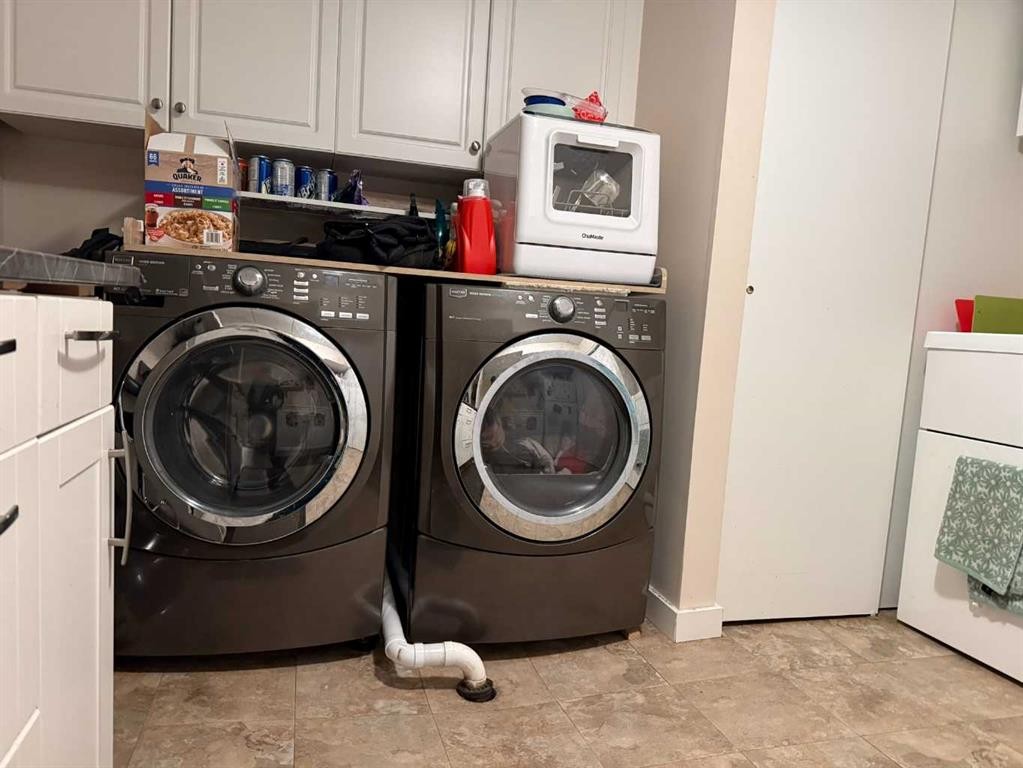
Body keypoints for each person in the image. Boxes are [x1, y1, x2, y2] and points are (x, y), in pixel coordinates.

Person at [479, 410, 556, 474]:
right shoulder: (480, 456)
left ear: (499, 423)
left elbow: (546, 462)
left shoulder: (526, 443)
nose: (492, 443)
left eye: (491, 436)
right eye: (485, 440)